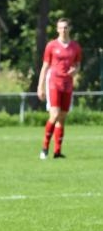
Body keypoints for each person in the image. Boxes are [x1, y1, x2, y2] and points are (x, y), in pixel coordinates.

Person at [37, 18, 82, 159]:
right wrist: (40, 86)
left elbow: (78, 64)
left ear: (70, 29)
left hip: (67, 84)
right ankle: (44, 149)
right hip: (54, 83)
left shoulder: (75, 47)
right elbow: (45, 67)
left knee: (62, 118)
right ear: (57, 29)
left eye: (66, 27)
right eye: (61, 28)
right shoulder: (51, 45)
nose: (63, 30)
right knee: (54, 115)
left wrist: (75, 70)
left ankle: (57, 152)